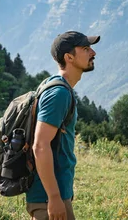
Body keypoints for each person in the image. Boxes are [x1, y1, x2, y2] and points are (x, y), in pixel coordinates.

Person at [25, 31, 100, 220]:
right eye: (85, 48)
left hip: (54, 195)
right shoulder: (59, 94)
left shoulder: (59, 88)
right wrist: (54, 197)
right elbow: (40, 146)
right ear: (69, 57)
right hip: (47, 199)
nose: (93, 52)